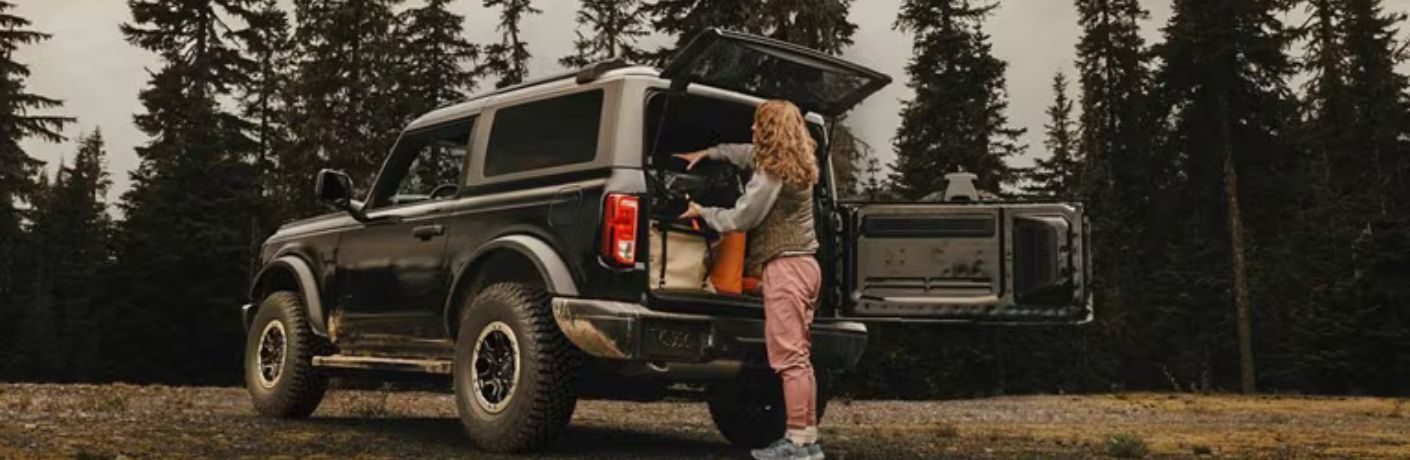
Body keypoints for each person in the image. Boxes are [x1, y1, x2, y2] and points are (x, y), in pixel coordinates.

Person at [675, 99, 824, 460]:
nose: (753, 130)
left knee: (789, 360)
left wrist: (703, 212)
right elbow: (745, 154)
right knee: (799, 358)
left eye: (759, 125)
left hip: (786, 269)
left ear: (771, 130)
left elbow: (743, 217)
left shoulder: (772, 174)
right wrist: (710, 152)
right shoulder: (797, 163)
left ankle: (799, 445)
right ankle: (806, 438)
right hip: (806, 267)